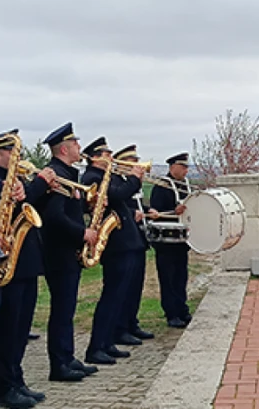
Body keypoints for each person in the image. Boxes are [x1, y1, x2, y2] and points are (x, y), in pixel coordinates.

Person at [0, 130, 48, 409]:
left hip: (26, 261)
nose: (18, 158)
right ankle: (4, 386)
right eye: (13, 153)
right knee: (8, 329)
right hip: (9, 263)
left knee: (21, 328)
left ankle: (16, 378)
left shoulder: (16, 178)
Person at [37, 123, 100, 382]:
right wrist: (82, 233)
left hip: (68, 251)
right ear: (64, 148)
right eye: (75, 143)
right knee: (62, 309)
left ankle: (67, 355)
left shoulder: (68, 173)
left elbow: (69, 211)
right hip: (58, 252)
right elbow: (54, 217)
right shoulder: (56, 174)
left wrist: (89, 205)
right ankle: (58, 364)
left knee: (68, 308)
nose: (79, 147)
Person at [79, 138, 146, 365]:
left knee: (118, 296)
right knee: (111, 296)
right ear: (95, 157)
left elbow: (120, 195)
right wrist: (136, 178)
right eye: (106, 154)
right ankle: (96, 346)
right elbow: (117, 194)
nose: (110, 157)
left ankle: (107, 342)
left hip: (124, 241)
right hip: (115, 245)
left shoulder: (107, 176)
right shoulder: (92, 177)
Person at [112, 144, 155, 345]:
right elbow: (119, 203)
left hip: (137, 239)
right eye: (132, 162)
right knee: (124, 288)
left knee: (135, 286)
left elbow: (134, 204)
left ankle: (132, 322)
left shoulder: (129, 183)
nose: (137, 165)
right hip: (123, 241)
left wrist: (148, 209)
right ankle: (120, 327)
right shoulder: (120, 182)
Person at [147, 153, 194, 328]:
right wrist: (175, 211)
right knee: (168, 278)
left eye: (187, 167)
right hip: (166, 241)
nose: (185, 170)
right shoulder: (162, 186)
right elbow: (157, 213)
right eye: (182, 167)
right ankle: (171, 313)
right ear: (172, 167)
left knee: (181, 277)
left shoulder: (185, 185)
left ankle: (182, 309)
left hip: (182, 241)